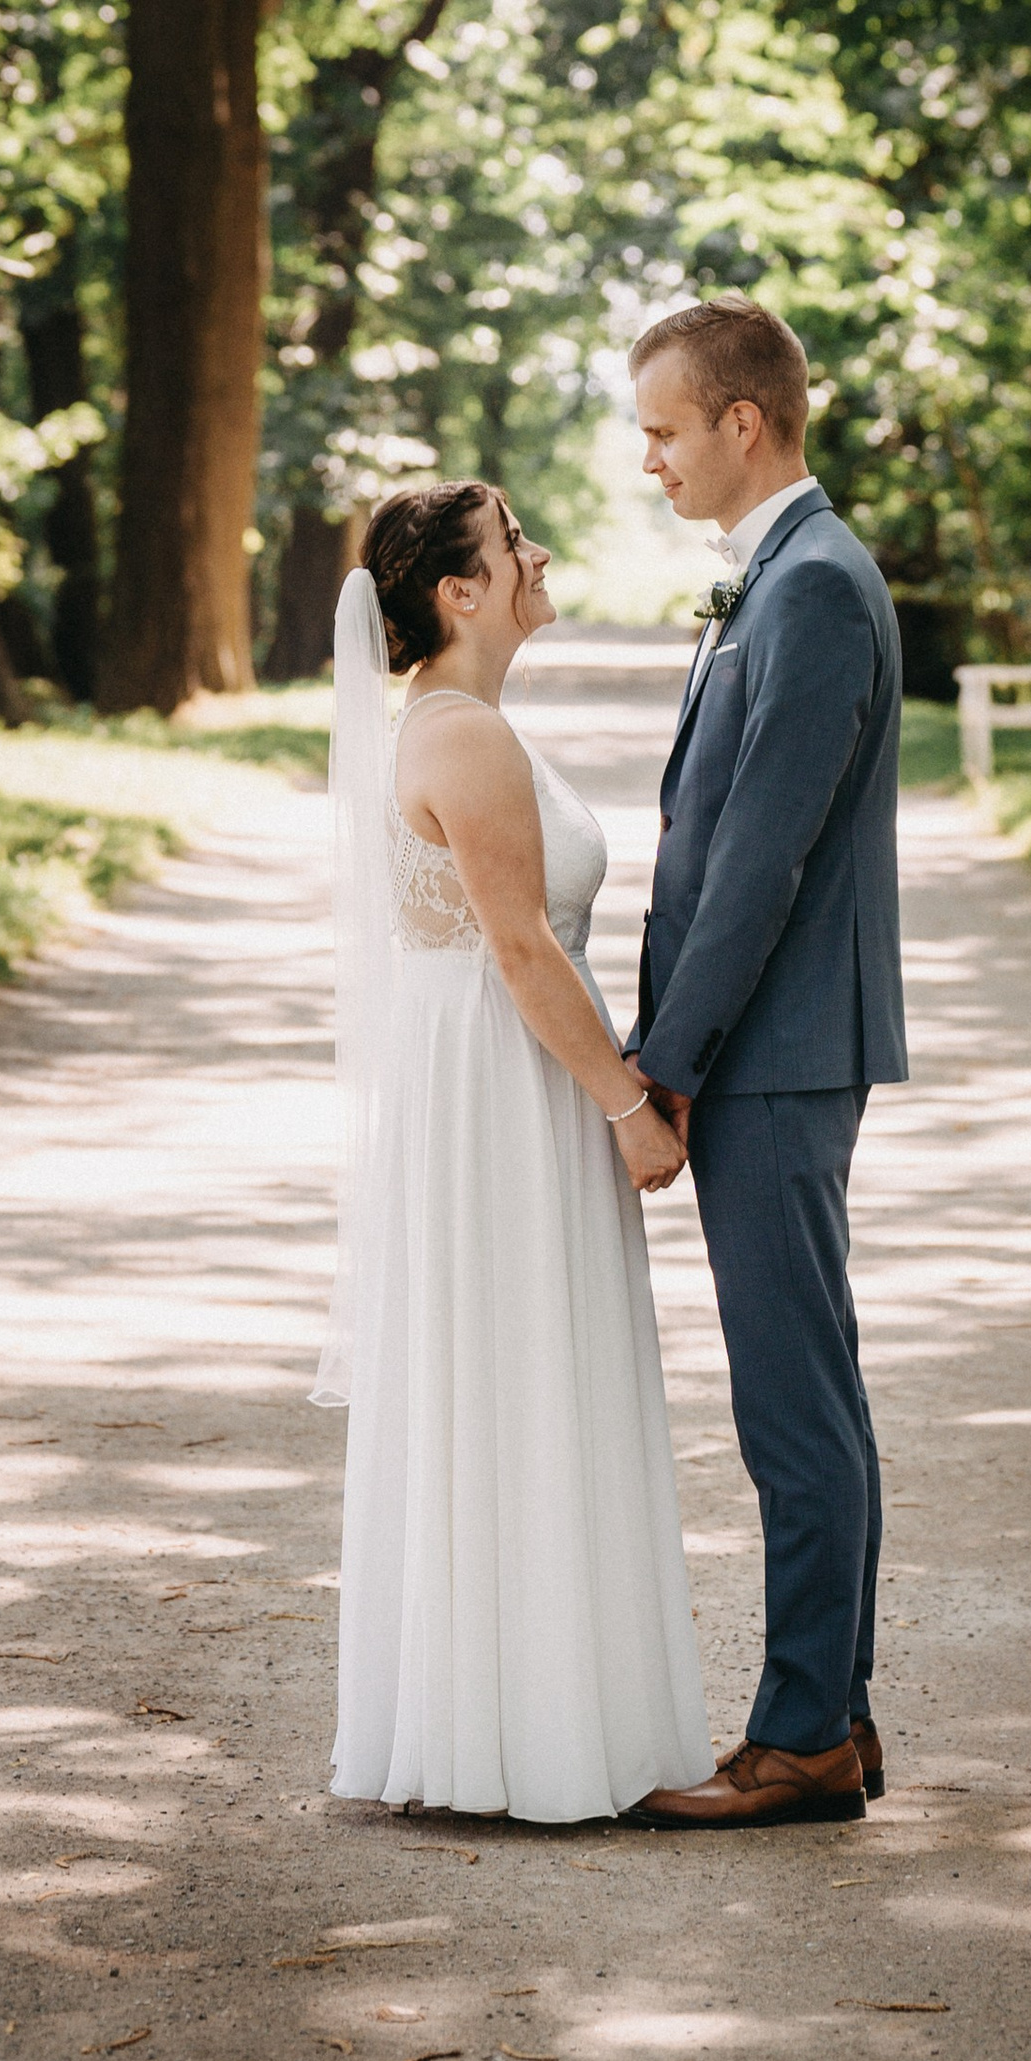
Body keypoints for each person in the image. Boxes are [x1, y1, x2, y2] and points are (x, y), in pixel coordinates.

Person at [317, 478, 713, 1827]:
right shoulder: (463, 736)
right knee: (521, 1367)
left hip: (494, 1071)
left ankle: (525, 1717)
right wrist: (625, 1108)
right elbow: (523, 948)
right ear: (459, 591)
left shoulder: (464, 722)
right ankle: (519, 1736)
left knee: (517, 1369)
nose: (536, 556)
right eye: (511, 545)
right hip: (505, 1082)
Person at [623, 297, 906, 1830]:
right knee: (812, 1394)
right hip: (772, 1048)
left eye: (665, 430)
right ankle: (833, 1715)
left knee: (794, 1405)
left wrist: (668, 1063)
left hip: (776, 1056)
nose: (651, 460)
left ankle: (802, 1733)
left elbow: (760, 863)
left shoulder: (809, 588)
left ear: (745, 421)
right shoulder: (788, 573)